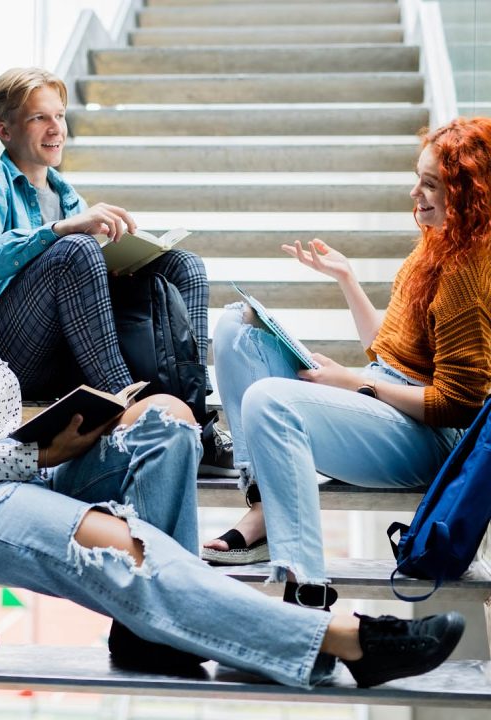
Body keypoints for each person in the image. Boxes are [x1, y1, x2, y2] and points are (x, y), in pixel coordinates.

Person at [0, 174, 466, 690]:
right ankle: (345, 638)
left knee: (167, 424)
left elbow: (1, 424)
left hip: (30, 471)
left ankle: (146, 630)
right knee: (128, 549)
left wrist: (84, 424)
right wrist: (39, 451)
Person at [202, 117, 491, 608]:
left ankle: (306, 583)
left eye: (430, 185)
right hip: (383, 394)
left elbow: (460, 405)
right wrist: (347, 280)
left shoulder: (469, 274)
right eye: (417, 178)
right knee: (237, 327)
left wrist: (357, 385)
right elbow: (387, 349)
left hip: (429, 439)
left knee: (270, 400)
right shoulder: (438, 242)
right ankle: (265, 505)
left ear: (468, 194)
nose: (415, 193)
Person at [0, 66, 233, 476]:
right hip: (5, 352)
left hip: (64, 353)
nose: (55, 128)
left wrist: (116, 266)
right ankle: (128, 409)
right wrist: (58, 232)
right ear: (5, 131)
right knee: (75, 248)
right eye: (39, 117)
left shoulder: (65, 193)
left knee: (183, 265)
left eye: (59, 116)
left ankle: (191, 413)